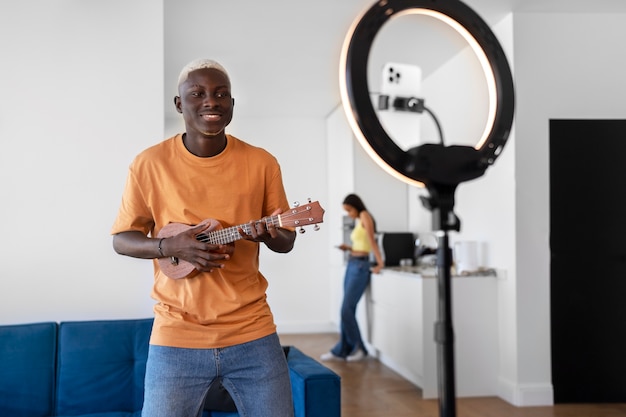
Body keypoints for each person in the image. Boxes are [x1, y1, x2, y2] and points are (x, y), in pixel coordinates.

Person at [111, 58, 296, 417]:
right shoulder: (149, 164)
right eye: (197, 93)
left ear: (231, 105)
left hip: (252, 330)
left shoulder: (262, 163)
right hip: (175, 332)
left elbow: (286, 239)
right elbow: (122, 239)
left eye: (221, 94)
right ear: (180, 104)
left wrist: (267, 235)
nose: (211, 101)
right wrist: (168, 246)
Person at [321, 193, 384, 362]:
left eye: (349, 210)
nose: (349, 214)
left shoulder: (364, 216)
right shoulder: (357, 220)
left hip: (360, 266)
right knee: (347, 311)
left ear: (356, 206)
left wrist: (380, 263)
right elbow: (360, 244)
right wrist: (348, 248)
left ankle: (360, 348)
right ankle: (341, 350)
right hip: (352, 263)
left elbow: (371, 241)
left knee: (346, 310)